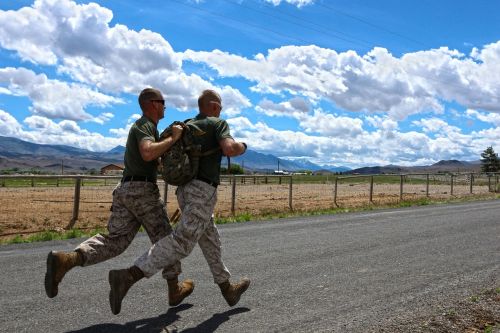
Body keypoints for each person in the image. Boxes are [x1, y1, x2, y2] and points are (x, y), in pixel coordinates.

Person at [44, 88, 194, 307]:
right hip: (142, 191)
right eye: (162, 102)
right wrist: (173, 138)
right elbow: (147, 152)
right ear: (152, 104)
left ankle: (67, 260)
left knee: (116, 241)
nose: (165, 106)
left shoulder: (147, 128)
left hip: (126, 190)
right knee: (166, 240)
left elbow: (152, 158)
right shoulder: (144, 125)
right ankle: (174, 290)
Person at [107, 89, 250, 315]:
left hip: (184, 190)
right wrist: (243, 145)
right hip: (202, 191)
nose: (221, 110)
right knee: (182, 241)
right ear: (213, 106)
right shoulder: (217, 123)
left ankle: (227, 288)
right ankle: (128, 275)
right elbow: (230, 148)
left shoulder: (187, 125)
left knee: (210, 237)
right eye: (220, 106)